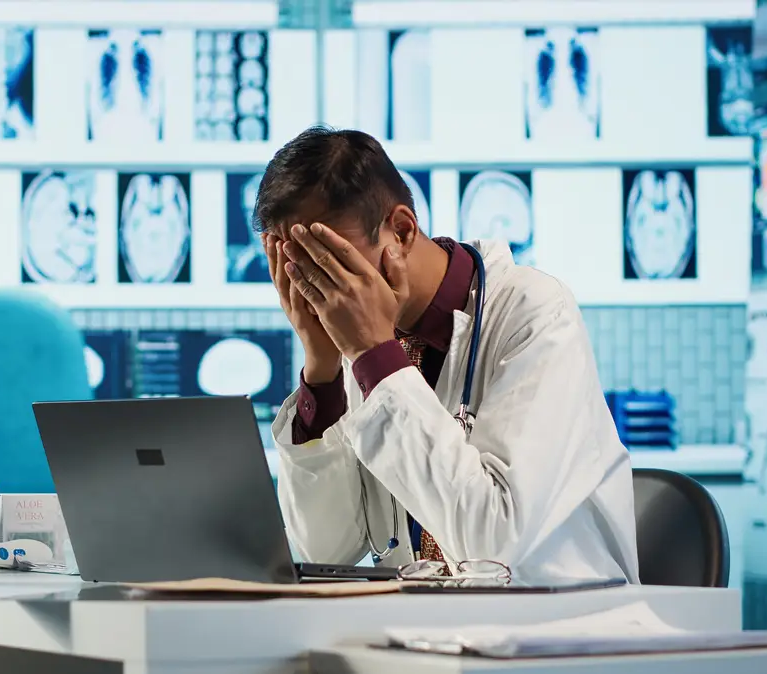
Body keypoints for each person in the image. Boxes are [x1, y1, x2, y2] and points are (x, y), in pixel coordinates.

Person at [255, 126, 639, 583]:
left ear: (400, 230)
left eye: (329, 262)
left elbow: (493, 545)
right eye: (296, 268)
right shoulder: (360, 347)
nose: (316, 289)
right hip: (429, 629)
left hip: (559, 628)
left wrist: (376, 356)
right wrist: (321, 374)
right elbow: (326, 547)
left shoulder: (533, 312)